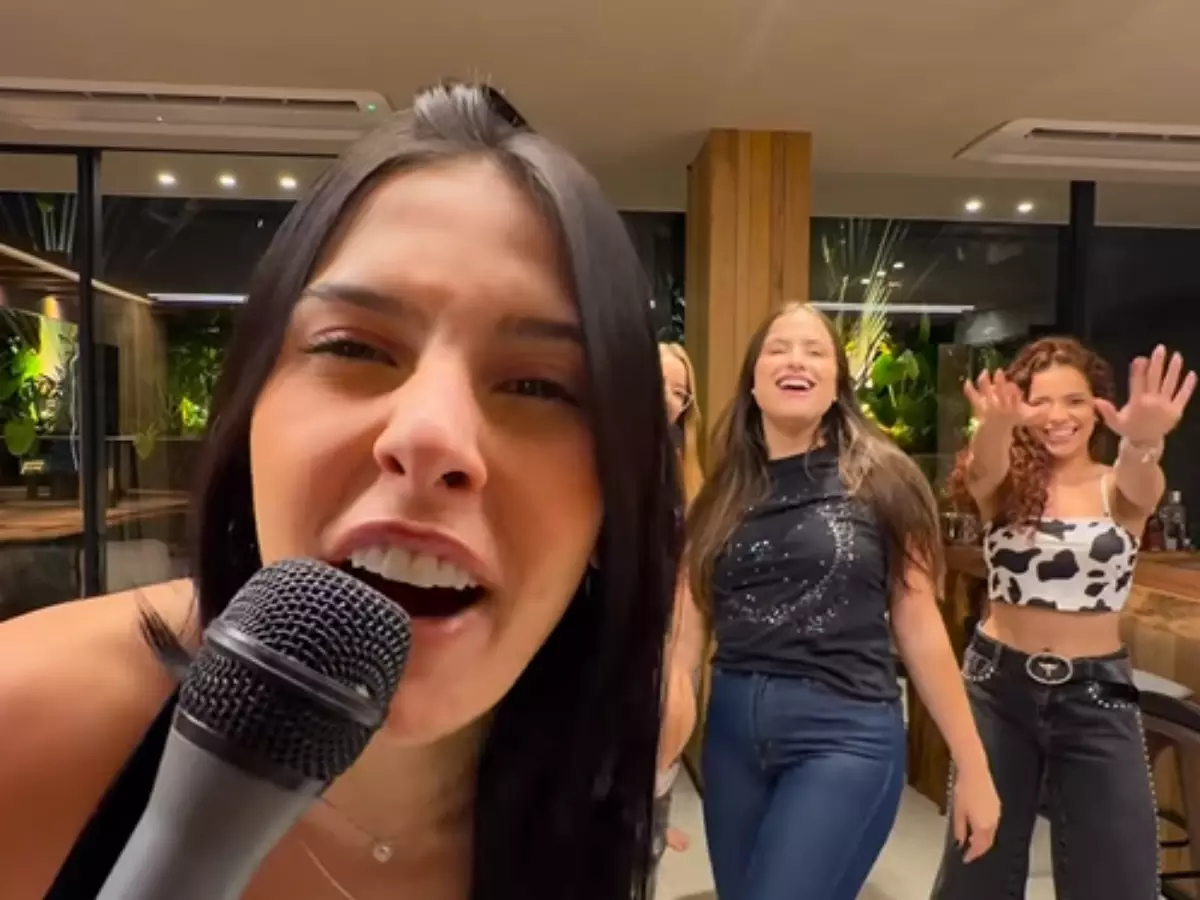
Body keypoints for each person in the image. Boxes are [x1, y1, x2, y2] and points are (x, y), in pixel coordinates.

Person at [0, 81, 681, 900]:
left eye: (539, 386)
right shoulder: (23, 718)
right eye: (353, 348)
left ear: (616, 497)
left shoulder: (609, 757)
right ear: (248, 416)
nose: (429, 437)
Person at [687, 300, 999, 900]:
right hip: (730, 736)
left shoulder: (884, 480)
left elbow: (919, 625)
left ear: (837, 385)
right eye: (778, 348)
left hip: (843, 734)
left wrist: (973, 766)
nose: (795, 360)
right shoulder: (721, 494)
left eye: (814, 351)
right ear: (753, 380)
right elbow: (688, 634)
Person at [933, 337, 1195, 900]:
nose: (1058, 416)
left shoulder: (1116, 485)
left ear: (1098, 408)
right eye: (1041, 401)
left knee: (1117, 874)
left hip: (1096, 693)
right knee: (977, 863)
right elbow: (985, 465)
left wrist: (1143, 441)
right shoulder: (1005, 485)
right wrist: (997, 425)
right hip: (997, 687)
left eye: (1074, 401)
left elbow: (1142, 480)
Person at [649, 342, 705, 888]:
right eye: (657, 382)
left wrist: (679, 676)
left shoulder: (687, 482)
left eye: (679, 392)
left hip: (661, 648)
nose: (667, 399)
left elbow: (687, 590)